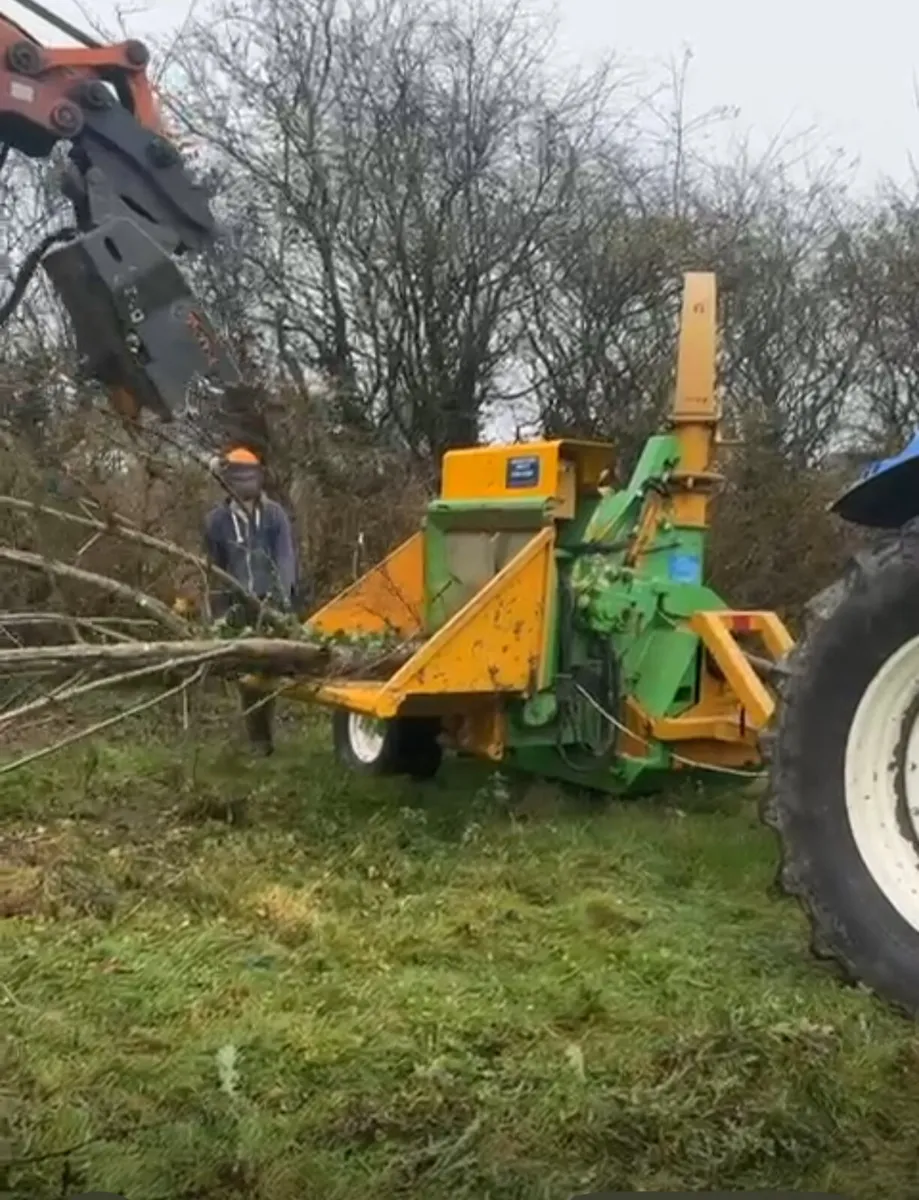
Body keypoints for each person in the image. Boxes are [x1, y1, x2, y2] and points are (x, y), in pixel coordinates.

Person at [203, 446, 299, 756]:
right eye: (239, 477)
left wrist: (281, 600)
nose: (246, 484)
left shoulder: (273, 516)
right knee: (247, 675)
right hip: (237, 604)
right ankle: (259, 741)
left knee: (269, 669)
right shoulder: (217, 521)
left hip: (270, 603)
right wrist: (218, 611)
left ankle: (268, 731)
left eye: (250, 477)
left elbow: (285, 558)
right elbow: (214, 566)